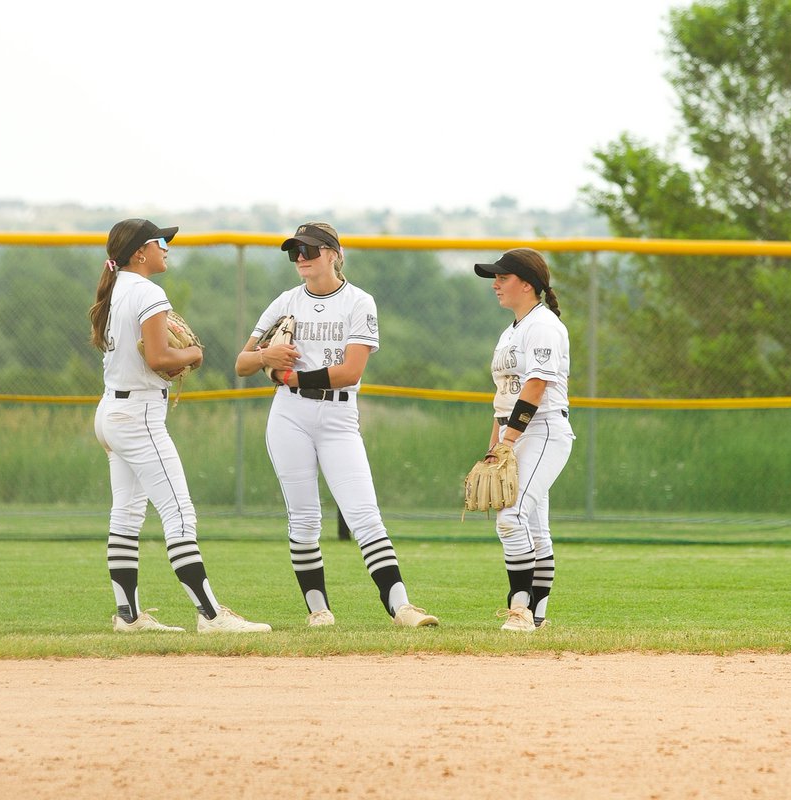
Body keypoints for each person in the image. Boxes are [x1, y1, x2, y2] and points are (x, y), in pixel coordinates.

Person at [235, 222, 439, 628]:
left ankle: (401, 608)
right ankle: (318, 611)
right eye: (295, 251)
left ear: (334, 253)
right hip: (290, 416)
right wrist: (267, 358)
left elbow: (350, 371)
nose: (301, 257)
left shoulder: (359, 302)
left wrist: (289, 376)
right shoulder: (286, 301)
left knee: (364, 512)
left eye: (310, 249)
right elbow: (242, 363)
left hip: (339, 416)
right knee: (305, 517)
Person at [89, 218, 270, 634]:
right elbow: (158, 359)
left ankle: (128, 617)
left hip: (112, 411)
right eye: (159, 242)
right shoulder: (148, 291)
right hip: (139, 416)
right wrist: (193, 355)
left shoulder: (117, 289)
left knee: (127, 514)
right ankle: (211, 615)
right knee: (180, 513)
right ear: (139, 252)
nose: (165, 248)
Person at [473, 248, 575, 632]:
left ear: (527, 284)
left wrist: (509, 440)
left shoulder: (544, 326)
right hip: (516, 432)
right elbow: (503, 396)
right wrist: (493, 445)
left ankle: (520, 610)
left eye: (503, 277)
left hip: (544, 430)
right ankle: (538, 615)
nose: (496, 284)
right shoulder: (513, 329)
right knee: (533, 527)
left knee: (510, 518)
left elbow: (535, 386)